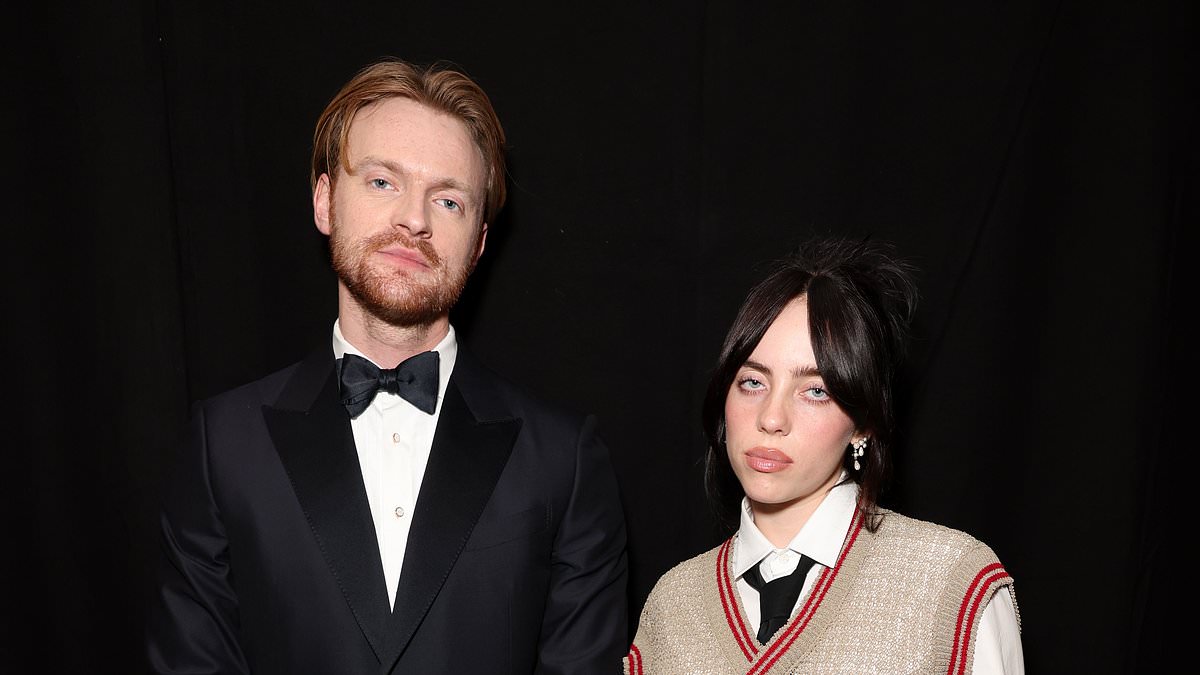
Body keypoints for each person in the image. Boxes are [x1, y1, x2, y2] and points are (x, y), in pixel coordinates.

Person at [147, 57, 628, 674]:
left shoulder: (565, 460)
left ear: (479, 241)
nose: (414, 219)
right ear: (325, 201)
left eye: (449, 200)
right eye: (382, 182)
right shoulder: (224, 446)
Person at [624, 237, 1023, 674]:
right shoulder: (671, 606)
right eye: (752, 382)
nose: (772, 418)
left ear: (864, 422)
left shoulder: (952, 586)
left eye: (816, 391)